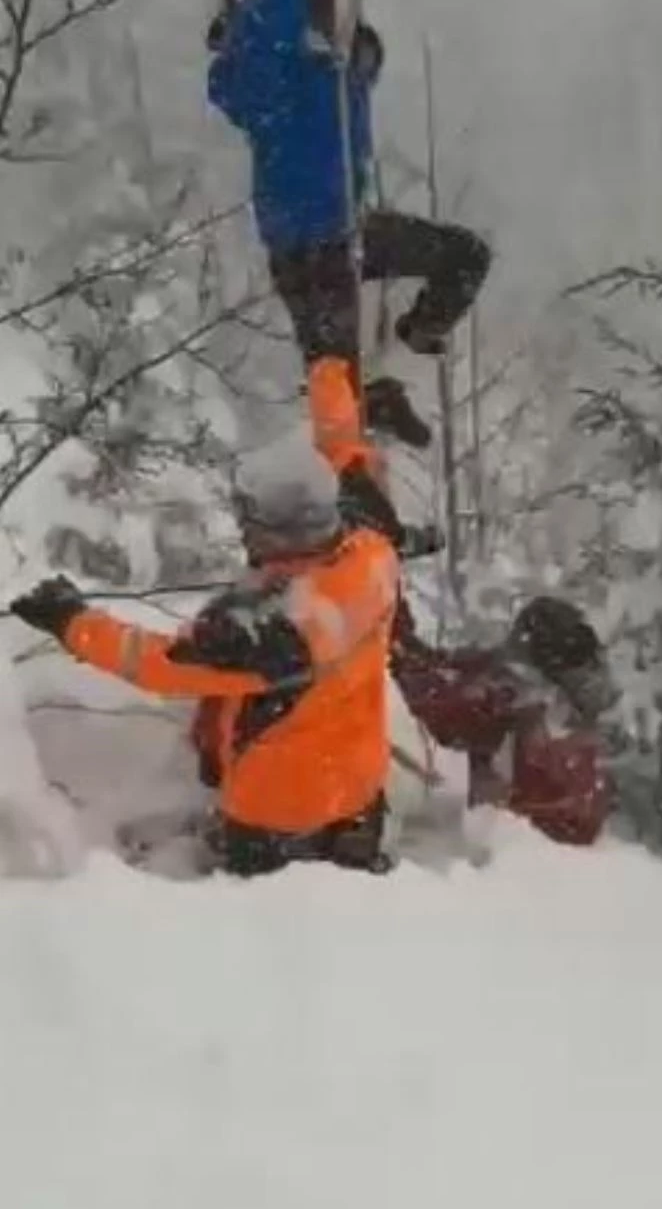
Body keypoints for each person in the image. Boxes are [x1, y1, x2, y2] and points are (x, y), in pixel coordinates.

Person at [10, 357, 425, 878]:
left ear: (272, 531)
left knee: (268, 920)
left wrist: (71, 621)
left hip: (274, 819)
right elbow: (343, 453)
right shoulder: (371, 554)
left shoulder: (269, 632)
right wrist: (329, 367)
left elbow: (158, 663)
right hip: (355, 794)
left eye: (249, 522)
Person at [206, 0, 491, 446]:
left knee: (464, 257)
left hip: (347, 227)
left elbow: (334, 45)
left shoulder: (316, 63)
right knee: (333, 384)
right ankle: (352, 446)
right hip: (309, 244)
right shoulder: (266, 62)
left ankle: (396, 367)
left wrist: (360, 48)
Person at [391, 593, 615, 845]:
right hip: (529, 837)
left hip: (524, 844)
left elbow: (433, 690)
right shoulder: (508, 693)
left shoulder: (512, 702)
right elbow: (436, 670)